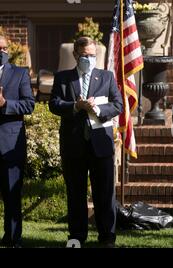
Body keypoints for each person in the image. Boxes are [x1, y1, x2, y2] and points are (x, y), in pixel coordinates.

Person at [49, 36, 123, 248]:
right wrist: (75, 106)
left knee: (105, 194)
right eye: (84, 56)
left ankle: (107, 237)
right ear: (75, 55)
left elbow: (117, 105)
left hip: (101, 143)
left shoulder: (106, 77)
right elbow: (54, 104)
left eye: (92, 55)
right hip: (74, 145)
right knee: (75, 193)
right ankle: (76, 237)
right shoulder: (63, 78)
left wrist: (97, 109)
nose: (89, 59)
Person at [0, 35, 35, 248]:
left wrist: (6, 104)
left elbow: (29, 105)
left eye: (4, 48)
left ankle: (13, 239)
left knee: (12, 196)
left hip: (10, 144)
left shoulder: (20, 74)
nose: (1, 52)